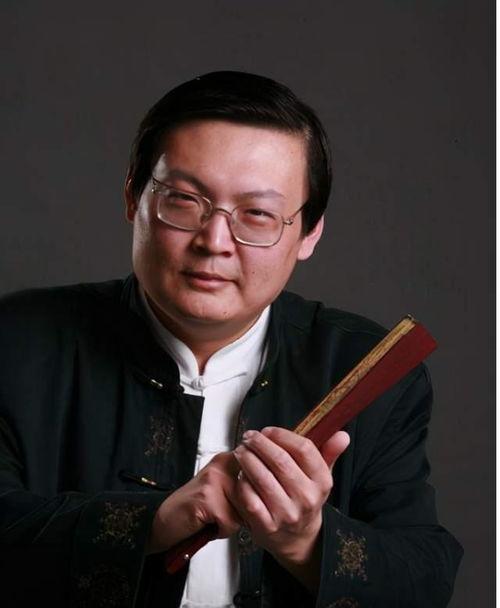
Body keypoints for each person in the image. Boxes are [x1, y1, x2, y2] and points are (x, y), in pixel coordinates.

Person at [0, 71, 462, 608]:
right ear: (133, 196)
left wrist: (306, 541)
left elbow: (423, 580)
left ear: (308, 233)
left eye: (258, 214)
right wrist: (155, 522)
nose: (214, 241)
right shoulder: (16, 342)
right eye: (183, 200)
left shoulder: (362, 365)